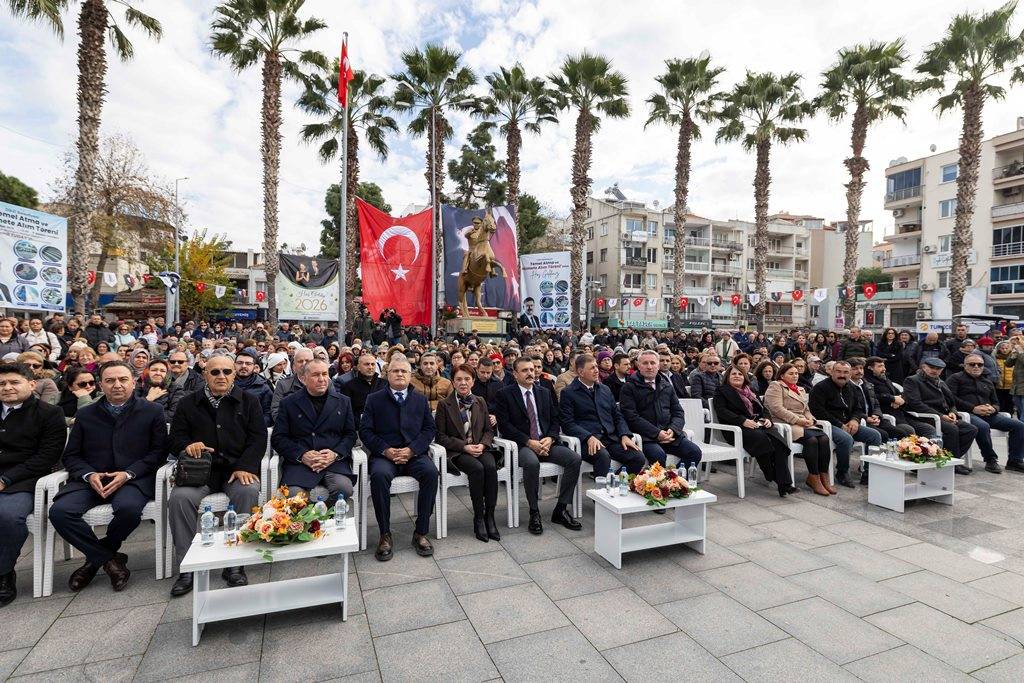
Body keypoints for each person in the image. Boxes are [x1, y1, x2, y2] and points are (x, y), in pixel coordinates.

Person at [49, 360, 167, 592]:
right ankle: (109, 560)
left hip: (133, 478)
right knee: (60, 512)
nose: (117, 385)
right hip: (91, 480)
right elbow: (71, 455)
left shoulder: (152, 411)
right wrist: (88, 474)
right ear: (100, 385)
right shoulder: (86, 414)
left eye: (123, 379)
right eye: (110, 380)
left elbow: (158, 452)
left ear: (134, 382)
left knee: (129, 509)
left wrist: (128, 473)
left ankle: (95, 560)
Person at [167, 355, 266, 596]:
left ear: (234, 374)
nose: (221, 376)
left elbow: (258, 438)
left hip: (236, 469)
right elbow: (175, 438)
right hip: (199, 472)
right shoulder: (188, 403)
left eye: (226, 371)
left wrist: (246, 467)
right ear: (205, 375)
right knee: (179, 498)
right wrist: (187, 445)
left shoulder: (249, 401)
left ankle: (236, 563)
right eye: (215, 372)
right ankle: (188, 566)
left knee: (248, 491)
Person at [0, 363, 67, 607]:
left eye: (14, 382)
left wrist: (5, 479)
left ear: (31, 384)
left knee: (8, 516)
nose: (7, 387)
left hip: (25, 480)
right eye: (2, 383)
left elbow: (47, 457)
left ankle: (4, 573)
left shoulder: (49, 413)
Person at [359, 355, 438, 561]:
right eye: (395, 371)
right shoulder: (374, 399)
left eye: (404, 371)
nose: (400, 374)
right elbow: (365, 431)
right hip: (385, 455)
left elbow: (429, 429)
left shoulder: (420, 399)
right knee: (379, 477)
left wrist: (412, 450)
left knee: (431, 473)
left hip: (413, 454)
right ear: (387, 374)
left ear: (410, 375)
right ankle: (385, 534)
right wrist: (385, 450)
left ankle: (421, 532)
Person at [493, 357, 582, 535]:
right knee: (532, 463)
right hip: (522, 445)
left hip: (546, 442)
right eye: (525, 370)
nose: (530, 373)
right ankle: (534, 512)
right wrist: (528, 441)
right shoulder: (505, 394)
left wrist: (551, 438)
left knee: (574, 459)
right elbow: (504, 425)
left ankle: (561, 509)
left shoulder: (544, 392)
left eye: (532, 370)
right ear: (515, 374)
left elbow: (555, 419)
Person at [273, 358, 357, 507]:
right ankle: (310, 520)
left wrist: (335, 454)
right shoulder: (289, 403)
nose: (322, 379)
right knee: (294, 496)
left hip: (333, 462)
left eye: (325, 374)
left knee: (344, 488)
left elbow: (350, 435)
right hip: (300, 464)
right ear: (304, 379)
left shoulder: (343, 401)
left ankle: (325, 518)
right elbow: (278, 438)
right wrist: (302, 455)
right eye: (316, 375)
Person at [434, 365, 500, 543]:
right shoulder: (444, 404)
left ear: (473, 381)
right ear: (453, 382)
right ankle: (478, 518)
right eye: (459, 379)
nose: (463, 383)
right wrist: (464, 447)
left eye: (467, 379)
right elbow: (440, 436)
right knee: (477, 469)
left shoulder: (480, 401)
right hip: (458, 452)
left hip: (480, 447)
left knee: (490, 466)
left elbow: (488, 430)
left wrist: (483, 445)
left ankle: (490, 516)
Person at [714, 366, 797, 497]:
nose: (737, 376)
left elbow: (764, 409)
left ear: (744, 377)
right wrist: (742, 421)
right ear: (727, 377)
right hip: (736, 428)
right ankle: (775, 477)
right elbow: (722, 411)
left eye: (740, 374)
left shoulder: (750, 390)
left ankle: (783, 483)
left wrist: (767, 419)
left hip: (758, 424)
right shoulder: (722, 390)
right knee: (761, 439)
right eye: (733, 374)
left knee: (779, 442)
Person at [559, 354, 646, 479]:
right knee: (603, 457)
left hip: (610, 438)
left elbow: (617, 415)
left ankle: (614, 483)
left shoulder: (604, 389)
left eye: (596, 366)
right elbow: (567, 423)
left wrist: (624, 435)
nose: (596, 370)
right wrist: (588, 437)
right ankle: (602, 490)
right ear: (581, 372)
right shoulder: (568, 393)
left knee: (638, 457)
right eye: (592, 368)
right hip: (586, 441)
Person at [619, 349, 702, 470]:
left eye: (653, 363)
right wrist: (657, 433)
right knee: (658, 456)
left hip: (670, 435)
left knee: (694, 452)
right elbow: (631, 417)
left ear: (658, 366)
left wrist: (673, 429)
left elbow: (678, 412)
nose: (649, 367)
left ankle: (674, 479)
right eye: (645, 363)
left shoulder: (666, 385)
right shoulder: (629, 387)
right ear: (638, 366)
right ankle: (661, 480)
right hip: (646, 437)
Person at [808, 360, 882, 488]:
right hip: (828, 425)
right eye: (838, 371)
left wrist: (855, 420)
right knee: (846, 439)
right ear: (832, 372)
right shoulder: (820, 388)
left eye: (846, 372)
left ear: (850, 374)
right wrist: (840, 425)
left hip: (849, 424)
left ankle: (869, 472)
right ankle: (842, 472)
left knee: (875, 435)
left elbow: (858, 409)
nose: (842, 375)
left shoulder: (851, 388)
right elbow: (818, 412)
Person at [947, 353, 1024, 473]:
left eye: (980, 364)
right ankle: (990, 459)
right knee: (983, 426)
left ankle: (1015, 460)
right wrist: (973, 408)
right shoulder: (955, 378)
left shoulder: (987, 381)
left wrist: (993, 409)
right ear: (965, 365)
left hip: (989, 414)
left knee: (1019, 425)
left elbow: (996, 402)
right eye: (972, 364)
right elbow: (950, 398)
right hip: (967, 414)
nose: (976, 367)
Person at [765, 363, 833, 495]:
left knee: (824, 438)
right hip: (784, 424)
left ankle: (823, 476)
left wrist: (811, 419)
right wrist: (798, 420)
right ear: (782, 375)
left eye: (796, 373)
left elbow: (806, 409)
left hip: (802, 423)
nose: (795, 376)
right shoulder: (776, 386)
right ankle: (813, 477)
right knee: (812, 440)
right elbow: (777, 409)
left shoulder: (800, 389)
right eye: (791, 373)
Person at [902, 357, 977, 474]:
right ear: (924, 367)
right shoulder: (913, 380)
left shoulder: (941, 382)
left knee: (970, 429)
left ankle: (950, 458)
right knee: (952, 429)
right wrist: (941, 416)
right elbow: (915, 403)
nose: (935, 371)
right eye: (932, 368)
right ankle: (952, 463)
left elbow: (952, 402)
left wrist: (953, 412)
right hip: (925, 416)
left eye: (938, 369)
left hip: (943, 416)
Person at [863, 357, 936, 437]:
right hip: (886, 417)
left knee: (928, 429)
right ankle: (912, 445)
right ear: (870, 368)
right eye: (880, 366)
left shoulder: (885, 379)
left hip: (901, 415)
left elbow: (903, 393)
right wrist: (892, 399)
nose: (884, 369)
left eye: (884, 366)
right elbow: (873, 396)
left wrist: (901, 400)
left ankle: (929, 445)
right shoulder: (866, 382)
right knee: (908, 430)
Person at [339, 352, 386, 425]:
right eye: (367, 364)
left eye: (373, 364)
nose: (370, 367)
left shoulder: (385, 384)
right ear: (358, 367)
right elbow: (345, 411)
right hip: (359, 427)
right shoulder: (349, 386)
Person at [270, 347, 312, 420]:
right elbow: (276, 411)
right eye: (300, 361)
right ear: (294, 365)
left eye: (307, 361)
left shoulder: (325, 382)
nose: (304, 364)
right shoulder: (283, 385)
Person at [233, 351, 273, 427]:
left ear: (254, 367)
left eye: (248, 363)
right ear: (234, 365)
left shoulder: (263, 387)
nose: (243, 366)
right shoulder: (226, 383)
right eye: (240, 363)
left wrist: (255, 427)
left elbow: (268, 413)